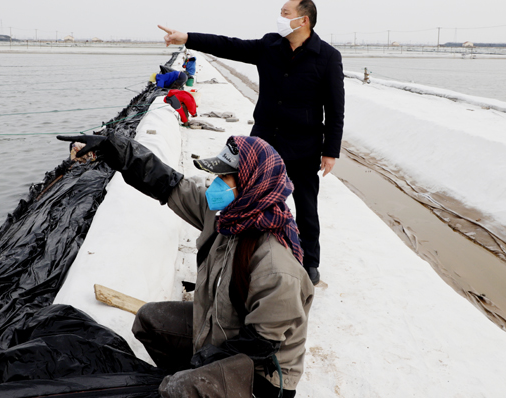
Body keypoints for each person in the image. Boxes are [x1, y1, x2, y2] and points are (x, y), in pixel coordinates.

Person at [57, 132, 314, 398]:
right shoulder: (227, 217)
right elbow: (169, 184)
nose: (215, 184)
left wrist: (201, 365)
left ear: (251, 184)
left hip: (260, 372)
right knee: (149, 320)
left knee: (181, 387)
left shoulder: (276, 265)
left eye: (224, 178)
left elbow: (260, 343)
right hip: (221, 328)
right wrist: (115, 149)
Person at [157, 0, 345, 285]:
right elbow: (229, 45)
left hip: (304, 145)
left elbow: (335, 108)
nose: (280, 18)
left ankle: (309, 262)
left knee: (306, 206)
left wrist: (330, 151)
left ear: (303, 20)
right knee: (249, 199)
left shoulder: (328, 57)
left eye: (286, 13)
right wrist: (188, 37)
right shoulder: (270, 45)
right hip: (264, 144)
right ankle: (246, 252)